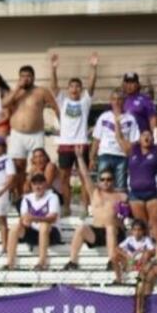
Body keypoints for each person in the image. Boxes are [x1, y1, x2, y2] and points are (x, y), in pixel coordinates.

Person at [63, 148, 129, 272]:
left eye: (109, 179)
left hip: (115, 232)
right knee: (81, 228)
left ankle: (112, 261)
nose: (106, 182)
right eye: (102, 179)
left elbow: (124, 217)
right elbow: (85, 175)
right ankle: (72, 261)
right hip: (97, 232)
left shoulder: (121, 196)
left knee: (110, 228)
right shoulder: (94, 193)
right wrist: (80, 157)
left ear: (113, 181)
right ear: (98, 182)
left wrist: (122, 214)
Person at [116, 111, 157, 241]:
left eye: (149, 136)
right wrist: (117, 124)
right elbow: (120, 139)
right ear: (139, 139)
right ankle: (145, 250)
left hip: (155, 193)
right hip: (136, 194)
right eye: (144, 135)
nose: (147, 137)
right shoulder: (132, 150)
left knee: (156, 225)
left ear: (153, 139)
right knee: (141, 226)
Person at [51, 52, 97, 211]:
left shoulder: (85, 102)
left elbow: (92, 86)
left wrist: (93, 67)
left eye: (77, 86)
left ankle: (84, 206)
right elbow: (54, 87)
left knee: (84, 176)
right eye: (72, 86)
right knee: (64, 177)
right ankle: (66, 207)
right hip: (65, 144)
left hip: (81, 143)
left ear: (81, 89)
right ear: (68, 89)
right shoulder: (62, 101)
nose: (74, 89)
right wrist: (53, 69)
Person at [2, 65, 59, 192]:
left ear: (33, 77)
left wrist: (61, 127)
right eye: (23, 76)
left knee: (39, 165)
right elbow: (4, 104)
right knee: (18, 166)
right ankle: (20, 196)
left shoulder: (41, 91)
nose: (25, 79)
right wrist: (17, 88)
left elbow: (55, 107)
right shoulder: (14, 92)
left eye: (28, 76)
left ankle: (38, 193)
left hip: (36, 133)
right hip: (17, 134)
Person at [4, 173, 61, 271]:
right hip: (34, 232)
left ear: (45, 184)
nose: (38, 187)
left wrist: (35, 219)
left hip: (51, 233)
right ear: (31, 185)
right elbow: (24, 217)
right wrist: (25, 221)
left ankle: (42, 262)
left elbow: (53, 218)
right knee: (14, 228)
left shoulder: (52, 197)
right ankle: (10, 262)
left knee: (44, 225)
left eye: (40, 183)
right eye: (35, 184)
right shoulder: (27, 198)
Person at [90, 90, 139, 190]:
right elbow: (96, 139)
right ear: (111, 101)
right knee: (102, 186)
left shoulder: (130, 119)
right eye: (114, 99)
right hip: (105, 154)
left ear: (124, 101)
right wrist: (92, 158)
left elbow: (133, 141)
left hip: (121, 156)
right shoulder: (104, 117)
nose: (117, 102)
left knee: (120, 187)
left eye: (119, 99)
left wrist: (131, 158)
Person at [112, 218, 155, 283]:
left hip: (140, 262)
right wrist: (126, 255)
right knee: (114, 256)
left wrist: (141, 252)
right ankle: (119, 279)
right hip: (130, 261)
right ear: (132, 231)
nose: (137, 232)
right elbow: (117, 248)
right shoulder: (129, 239)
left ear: (143, 231)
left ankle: (140, 278)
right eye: (135, 230)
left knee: (147, 255)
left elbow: (153, 250)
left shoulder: (146, 240)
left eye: (139, 230)